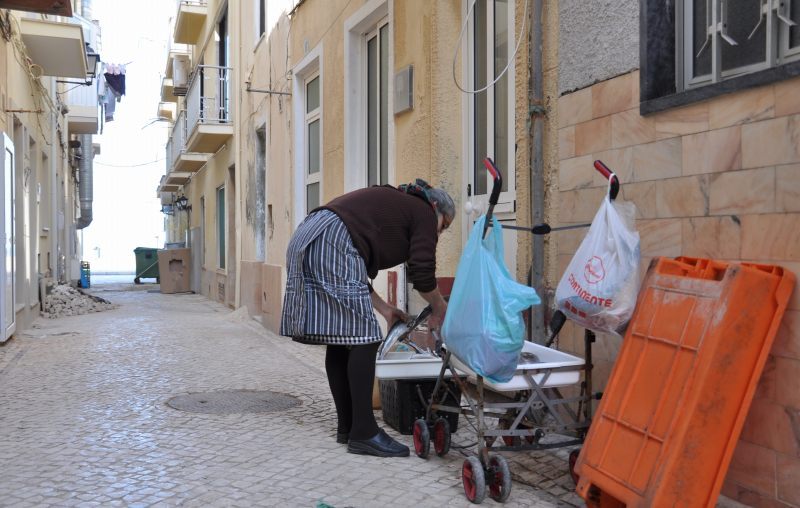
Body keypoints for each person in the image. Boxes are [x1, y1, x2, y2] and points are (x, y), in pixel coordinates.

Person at [280, 179, 455, 458]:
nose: (439, 234)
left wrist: (385, 308)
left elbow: (354, 271)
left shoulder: (397, 206)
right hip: (332, 239)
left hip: (308, 234)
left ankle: (348, 426)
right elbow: (422, 273)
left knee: (338, 337)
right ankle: (364, 432)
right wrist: (440, 307)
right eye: (443, 226)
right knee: (365, 337)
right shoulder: (423, 210)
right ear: (436, 207)